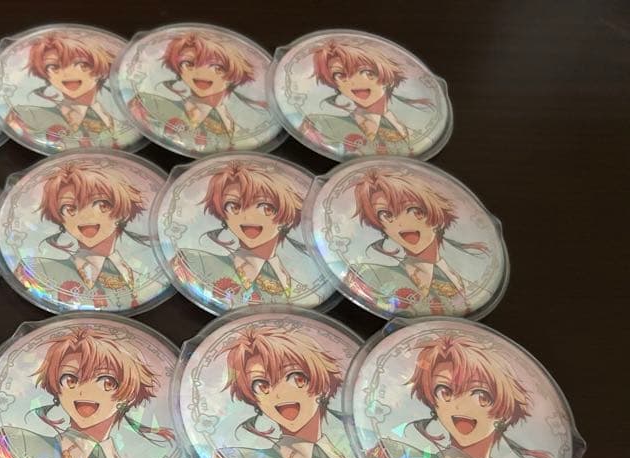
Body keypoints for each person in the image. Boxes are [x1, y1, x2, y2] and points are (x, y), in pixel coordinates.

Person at [368, 334, 554, 458]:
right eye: (445, 391)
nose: (460, 406)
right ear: (434, 404)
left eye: (481, 394)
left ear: (505, 411)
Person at [0, 326, 174, 458]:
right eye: (70, 379)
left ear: (129, 395)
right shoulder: (18, 444)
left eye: (107, 381)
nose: (84, 391)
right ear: (56, 389)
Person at [211, 326, 360, 458]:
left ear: (324, 385)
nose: (279, 394)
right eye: (261, 384)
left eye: (295, 377)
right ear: (255, 401)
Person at [172, 161, 320, 308]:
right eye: (234, 206)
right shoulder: (194, 263)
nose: (248, 217)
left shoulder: (309, 295)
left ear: (288, 219)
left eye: (265, 207)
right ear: (223, 217)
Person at [349, 169, 489, 315]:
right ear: (382, 227)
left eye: (413, 210)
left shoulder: (473, 288)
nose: (401, 223)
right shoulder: (371, 276)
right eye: (386, 214)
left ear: (438, 216)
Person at [14, 161, 149, 309]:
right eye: (69, 208)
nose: (85, 217)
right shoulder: (38, 272)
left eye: (101, 204)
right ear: (60, 219)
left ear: (124, 212)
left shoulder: (145, 277)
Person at [127, 32, 266, 152]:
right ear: (178, 70)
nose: (200, 73)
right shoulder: (152, 106)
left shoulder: (247, 127)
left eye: (216, 67)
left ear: (235, 75)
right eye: (188, 64)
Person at [299, 39, 434, 157]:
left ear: (389, 78)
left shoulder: (419, 138)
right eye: (339, 75)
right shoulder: (321, 125)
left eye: (365, 72)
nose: (353, 82)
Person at [5, 33, 121, 150]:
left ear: (103, 70)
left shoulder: (123, 124)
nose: (66, 73)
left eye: (81, 64)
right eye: (53, 67)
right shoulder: (27, 117)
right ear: (46, 75)